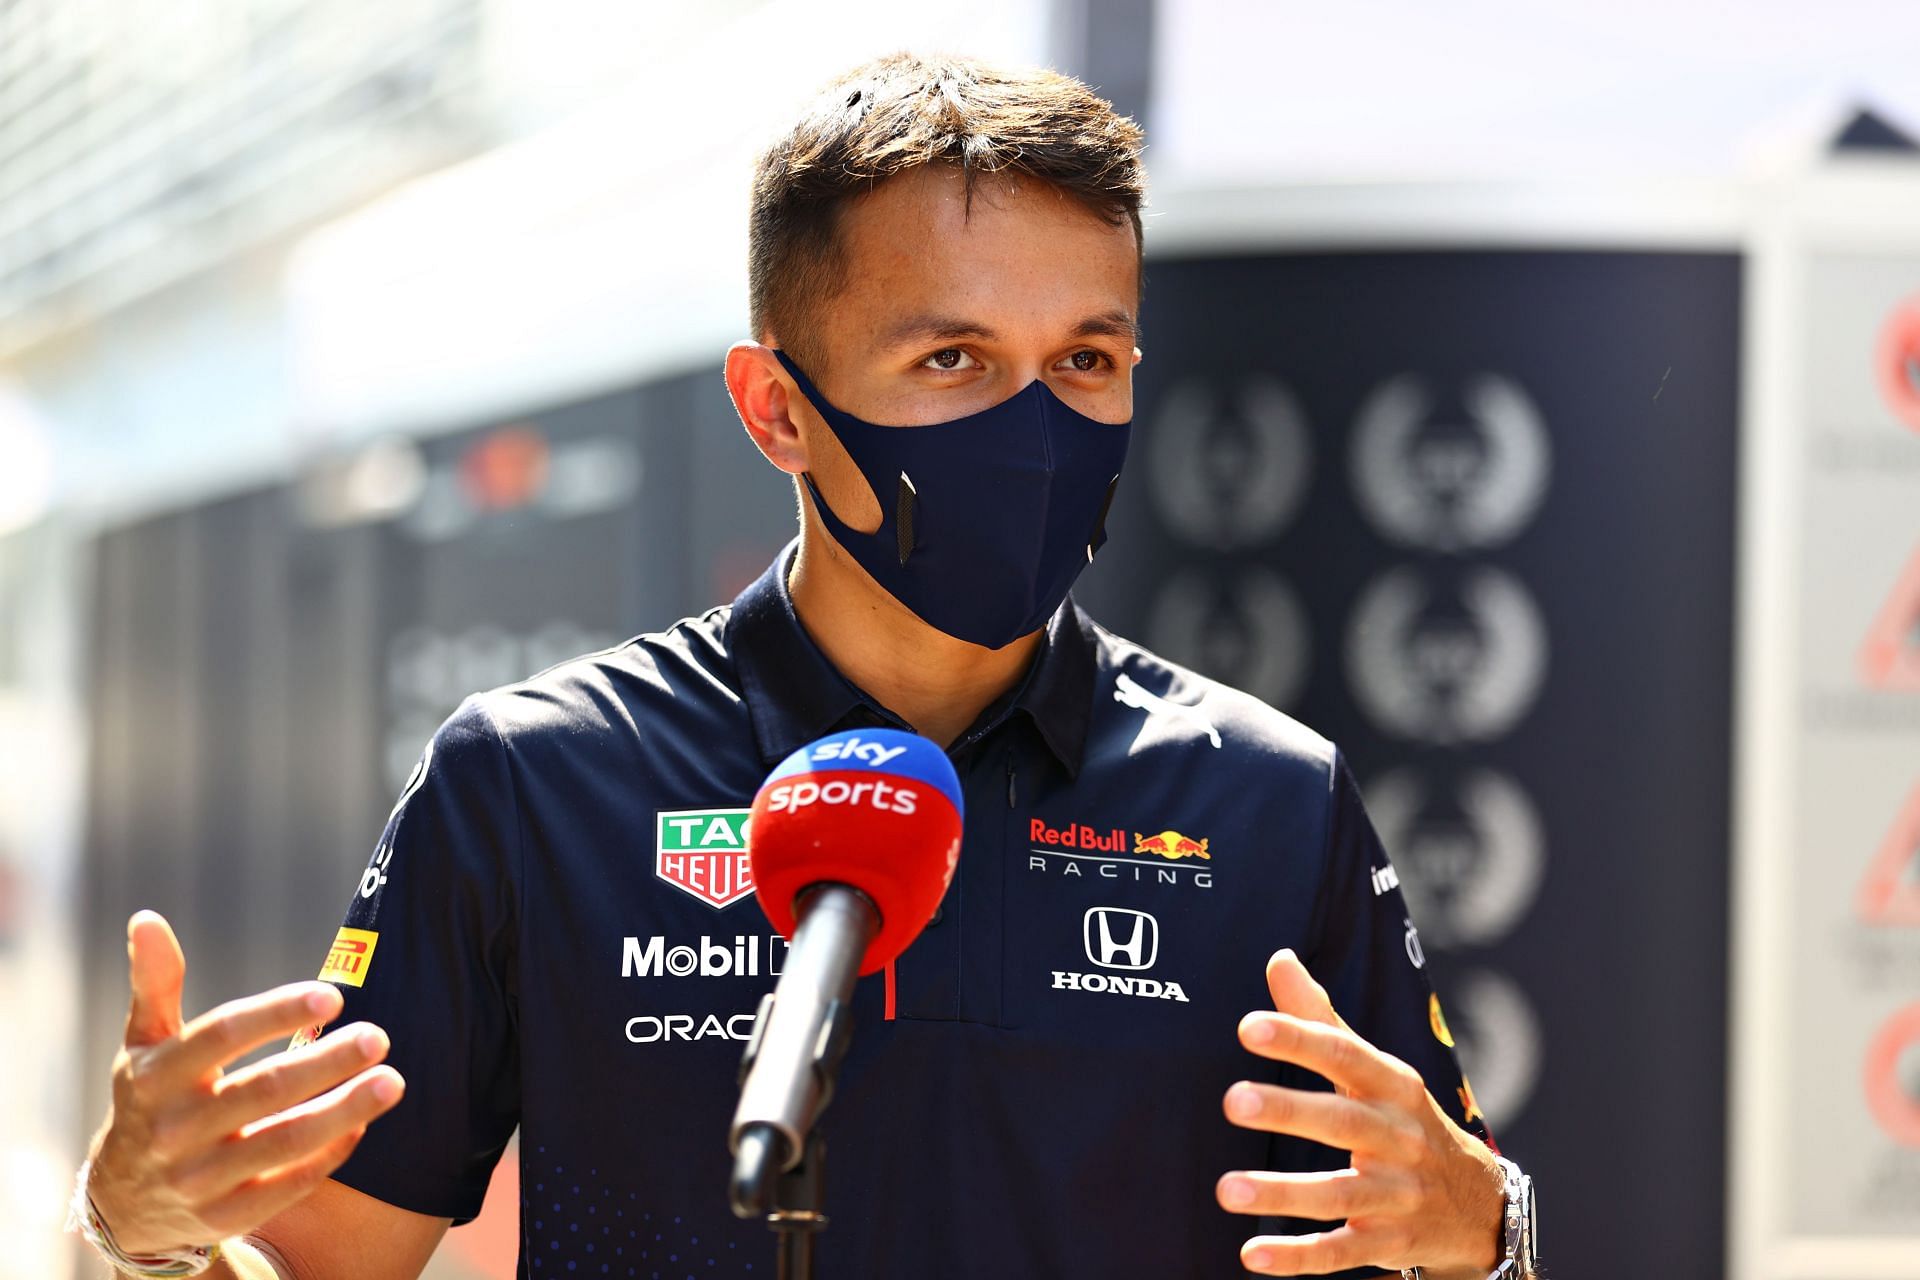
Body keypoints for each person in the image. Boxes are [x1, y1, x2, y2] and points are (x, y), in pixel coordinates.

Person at [74, 52, 1540, 1280]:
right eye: (954, 361)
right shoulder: (538, 779)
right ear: (777, 407)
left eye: (1087, 361)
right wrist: (144, 1230)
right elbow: (325, 1263)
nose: (1037, 432)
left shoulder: (1271, 803)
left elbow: (1441, 1231)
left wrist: (1489, 1236)